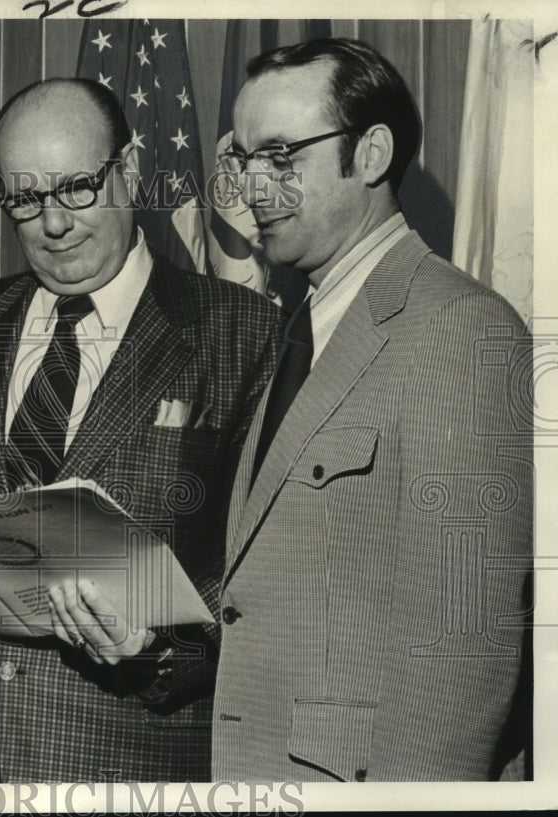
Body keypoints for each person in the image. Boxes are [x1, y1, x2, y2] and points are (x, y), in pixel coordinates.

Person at [0, 77, 283, 782]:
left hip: (127, 761)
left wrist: (156, 645)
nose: (55, 222)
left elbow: (269, 588)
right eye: (26, 199)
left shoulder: (242, 330)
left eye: (77, 187)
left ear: (128, 170)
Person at [210, 38, 532, 782]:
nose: (254, 187)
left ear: (373, 152)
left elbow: (463, 648)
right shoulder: (311, 325)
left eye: (282, 154)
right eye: (243, 157)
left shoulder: (460, 329)